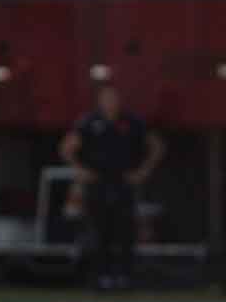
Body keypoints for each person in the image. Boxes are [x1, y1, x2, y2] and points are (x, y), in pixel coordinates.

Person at [59, 84, 164, 291]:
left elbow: (157, 146)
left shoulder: (132, 122)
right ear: (100, 100)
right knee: (99, 232)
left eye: (114, 97)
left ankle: (125, 277)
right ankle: (101, 277)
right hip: (98, 183)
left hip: (123, 182)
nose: (110, 102)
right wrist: (80, 170)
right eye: (106, 98)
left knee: (125, 231)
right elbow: (66, 148)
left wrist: (143, 171)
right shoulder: (89, 122)